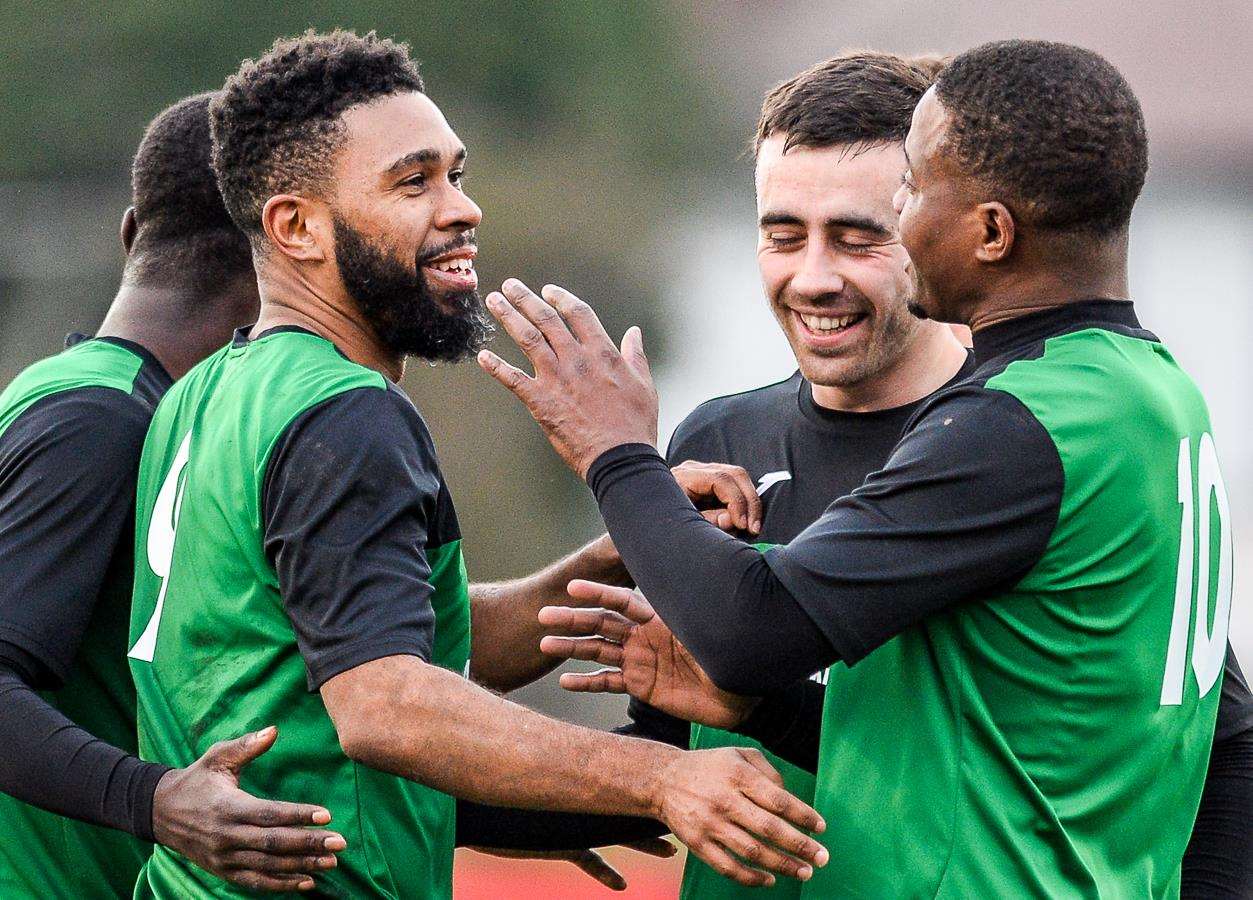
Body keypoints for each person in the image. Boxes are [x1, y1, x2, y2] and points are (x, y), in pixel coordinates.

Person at [480, 39, 1246, 896]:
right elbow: (694, 767)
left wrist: (614, 456)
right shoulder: (1143, 393)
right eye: (782, 234)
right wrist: (395, 790)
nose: (813, 276)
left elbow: (1215, 745)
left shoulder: (1013, 432)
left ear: (989, 229)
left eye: (870, 226)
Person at [126, 30, 827, 898]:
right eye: (413, 181)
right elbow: (384, 701)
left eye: (456, 173)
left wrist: (602, 560)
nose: (462, 208)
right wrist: (662, 779)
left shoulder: (202, 396)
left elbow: (379, 641)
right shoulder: (346, 413)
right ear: (295, 226)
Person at [0, 93, 350, 897]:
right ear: (289, 252)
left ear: (131, 234)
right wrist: (157, 803)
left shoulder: (124, 405)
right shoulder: (99, 421)